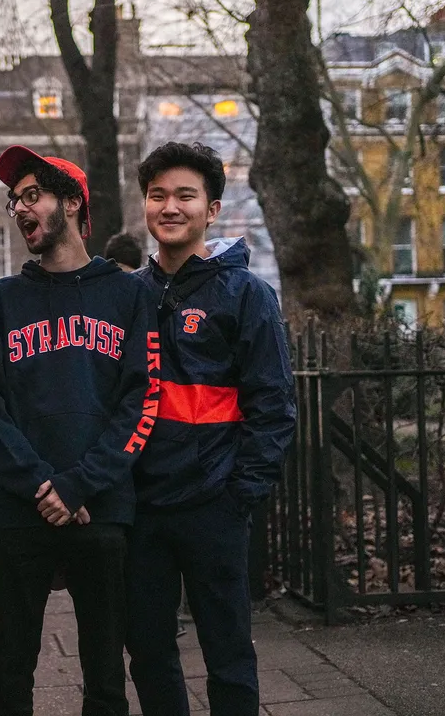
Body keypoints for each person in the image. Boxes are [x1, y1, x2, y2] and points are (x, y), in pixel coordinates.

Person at [0, 146, 159, 716]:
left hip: (100, 509)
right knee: (10, 681)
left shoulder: (130, 295)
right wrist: (41, 487)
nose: (20, 209)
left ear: (72, 203)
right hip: (18, 512)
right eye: (15, 199)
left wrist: (78, 485)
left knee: (106, 679)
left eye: (33, 196)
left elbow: (141, 399)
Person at [125, 142, 296, 716]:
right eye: (157, 196)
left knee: (227, 652)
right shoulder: (129, 296)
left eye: (185, 196)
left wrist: (240, 493)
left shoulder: (246, 294)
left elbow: (273, 404)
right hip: (142, 507)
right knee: (147, 652)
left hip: (213, 505)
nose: (169, 207)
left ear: (213, 210)